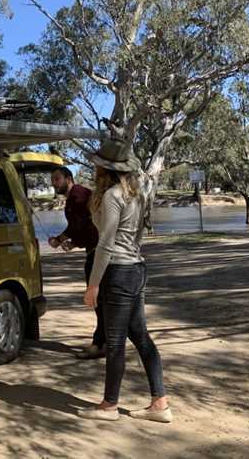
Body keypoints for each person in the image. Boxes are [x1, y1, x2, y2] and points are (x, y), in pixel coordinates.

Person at [77, 131, 171, 423]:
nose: (95, 168)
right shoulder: (136, 194)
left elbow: (105, 243)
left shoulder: (111, 196)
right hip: (136, 269)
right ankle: (160, 403)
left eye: (98, 164)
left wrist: (93, 285)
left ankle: (109, 406)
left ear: (106, 168)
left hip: (117, 272)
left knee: (115, 341)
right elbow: (135, 235)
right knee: (140, 336)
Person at [48, 166, 106, 359]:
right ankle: (104, 341)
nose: (53, 183)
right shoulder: (76, 197)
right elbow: (80, 226)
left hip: (98, 252)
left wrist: (60, 240)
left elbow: (79, 224)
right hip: (94, 250)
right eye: (52, 180)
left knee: (97, 298)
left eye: (57, 179)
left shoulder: (78, 196)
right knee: (100, 299)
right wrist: (72, 243)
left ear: (69, 178)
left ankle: (101, 344)